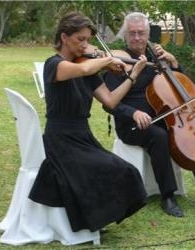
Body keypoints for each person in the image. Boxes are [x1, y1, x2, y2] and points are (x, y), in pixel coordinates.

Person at [103, 12, 195, 218]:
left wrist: (174, 63)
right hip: (133, 125)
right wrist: (133, 113)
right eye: (132, 33)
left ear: (148, 34)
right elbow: (110, 103)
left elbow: (183, 87)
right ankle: (168, 195)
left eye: (140, 33)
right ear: (125, 36)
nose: (136, 38)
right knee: (159, 136)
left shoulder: (158, 58)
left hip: (167, 117)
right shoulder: (118, 63)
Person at [29, 11, 148, 232]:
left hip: (83, 136)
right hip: (60, 140)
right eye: (80, 39)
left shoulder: (87, 67)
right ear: (64, 37)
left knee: (126, 170)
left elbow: (111, 101)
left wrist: (133, 76)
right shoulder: (55, 64)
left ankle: (99, 218)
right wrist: (106, 61)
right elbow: (83, 69)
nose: (85, 46)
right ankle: (90, 220)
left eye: (87, 40)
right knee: (103, 168)